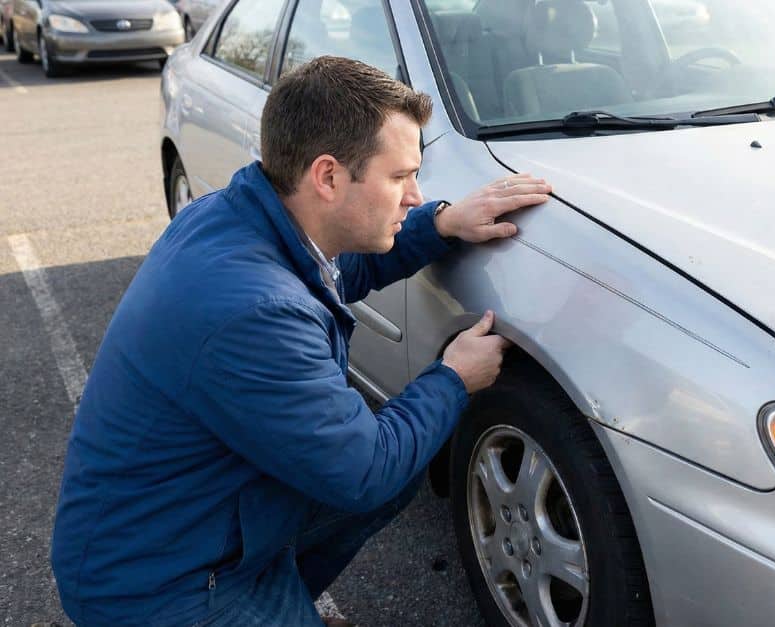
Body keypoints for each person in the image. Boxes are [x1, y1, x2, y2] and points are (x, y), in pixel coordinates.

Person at [50, 56, 552, 627]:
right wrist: (454, 378)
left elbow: (334, 276)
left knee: (402, 452)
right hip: (157, 587)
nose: (416, 194)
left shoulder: (240, 216)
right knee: (385, 458)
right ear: (329, 177)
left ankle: (278, 598)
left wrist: (438, 225)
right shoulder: (256, 311)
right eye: (399, 177)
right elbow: (365, 471)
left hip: (180, 524)